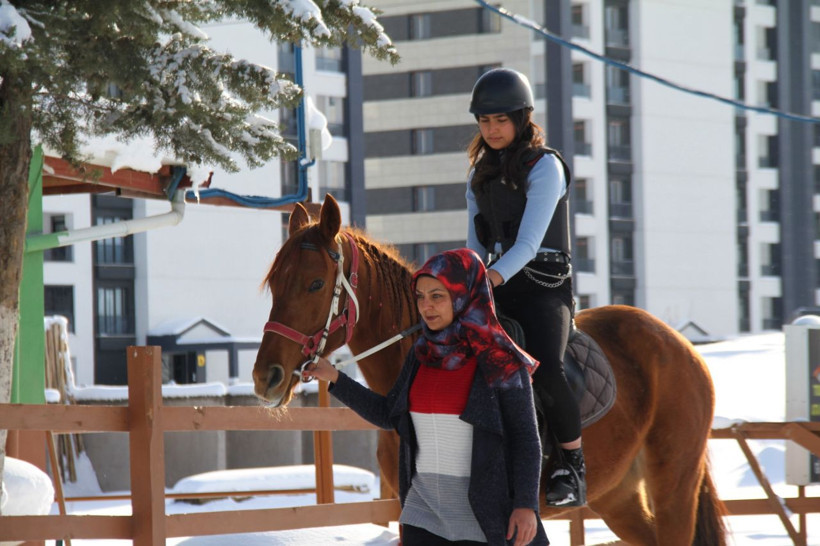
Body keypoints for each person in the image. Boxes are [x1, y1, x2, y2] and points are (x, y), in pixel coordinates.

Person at [305, 248, 548, 546]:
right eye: (420, 297)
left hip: (482, 518)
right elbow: (387, 414)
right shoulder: (420, 356)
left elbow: (525, 437)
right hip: (423, 514)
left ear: (464, 295)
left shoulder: (500, 361)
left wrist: (526, 505)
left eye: (437, 296)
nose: (426, 307)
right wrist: (335, 379)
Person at [464, 67, 586, 507]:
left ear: (521, 117)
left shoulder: (546, 165)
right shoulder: (478, 173)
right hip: (496, 284)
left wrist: (486, 279)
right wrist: (464, 282)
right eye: (484, 121)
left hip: (544, 284)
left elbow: (531, 244)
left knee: (547, 367)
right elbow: (475, 244)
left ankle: (570, 466)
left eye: (500, 120)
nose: (492, 129)